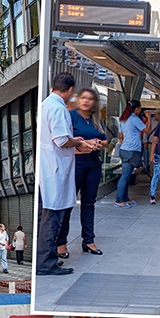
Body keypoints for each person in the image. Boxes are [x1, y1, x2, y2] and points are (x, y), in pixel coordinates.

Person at [37, 73, 95, 276]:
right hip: (55, 170)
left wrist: (73, 138)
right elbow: (61, 140)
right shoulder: (59, 108)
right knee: (52, 219)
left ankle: (47, 259)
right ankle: (46, 263)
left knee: (47, 219)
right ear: (70, 90)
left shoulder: (46, 105)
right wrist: (78, 142)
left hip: (49, 168)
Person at [57, 88, 107, 256]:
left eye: (90, 98)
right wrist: (83, 143)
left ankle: (89, 240)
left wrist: (100, 143)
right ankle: (61, 242)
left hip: (93, 163)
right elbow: (63, 139)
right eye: (83, 97)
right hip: (75, 163)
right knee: (69, 203)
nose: (86, 101)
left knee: (89, 203)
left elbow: (106, 139)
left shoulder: (96, 119)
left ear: (95, 102)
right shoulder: (70, 116)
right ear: (78, 99)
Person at [116, 99, 150, 207]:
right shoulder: (134, 119)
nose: (140, 111)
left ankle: (125, 199)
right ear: (136, 109)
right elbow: (147, 130)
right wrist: (148, 117)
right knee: (125, 176)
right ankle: (119, 200)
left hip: (124, 149)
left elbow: (121, 136)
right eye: (139, 108)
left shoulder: (123, 119)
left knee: (126, 176)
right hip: (131, 151)